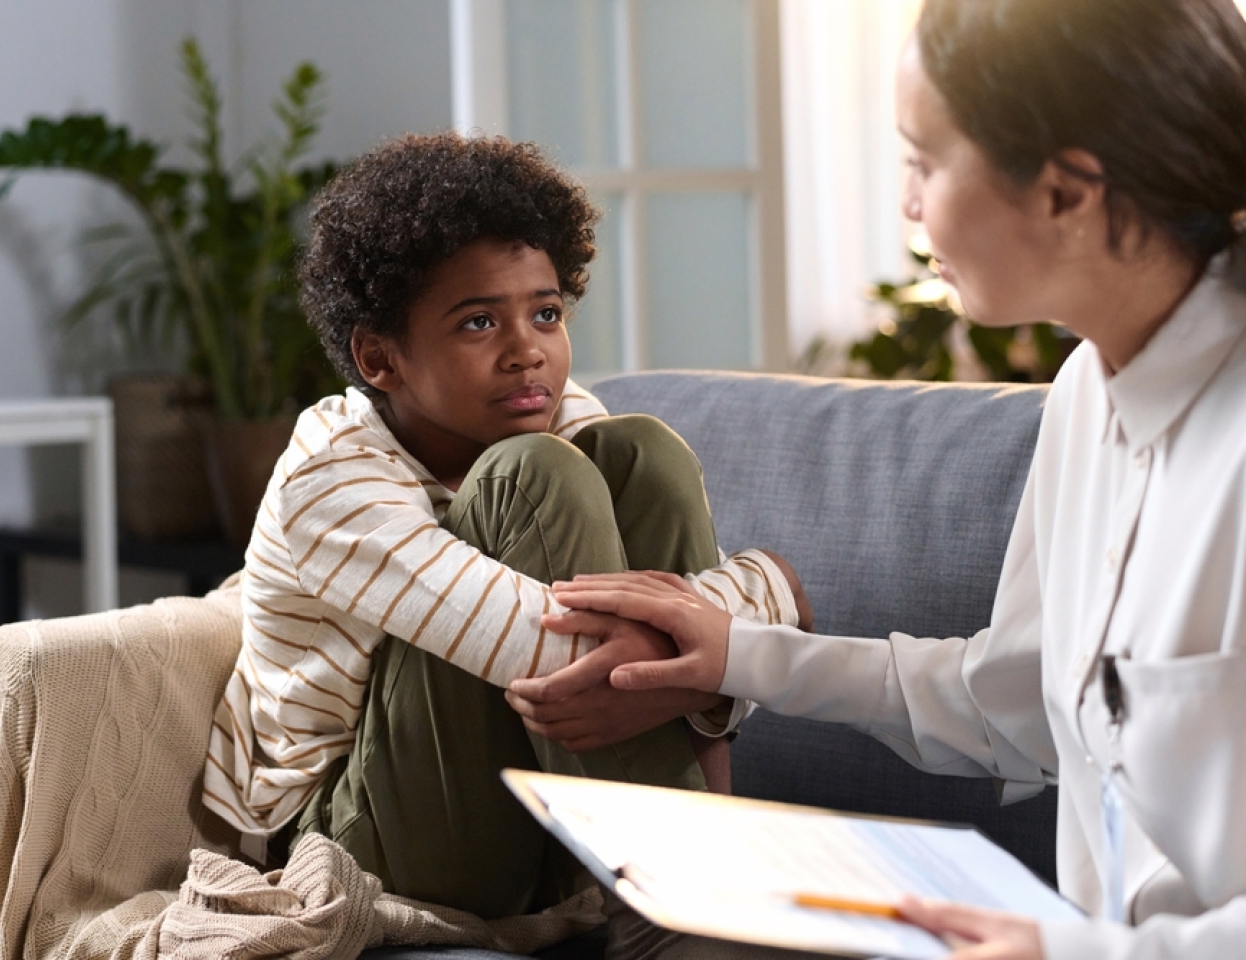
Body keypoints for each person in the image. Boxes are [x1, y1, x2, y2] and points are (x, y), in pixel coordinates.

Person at [507, 1, 1246, 957]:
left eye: (924, 161)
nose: (907, 203)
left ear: (1067, 193)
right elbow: (1013, 704)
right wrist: (738, 651)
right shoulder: (1089, 397)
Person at [199, 132, 804, 948]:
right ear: (380, 357)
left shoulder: (563, 416)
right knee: (531, 476)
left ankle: (685, 883)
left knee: (643, 453)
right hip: (357, 836)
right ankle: (683, 909)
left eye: (546, 313)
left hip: (539, 818)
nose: (529, 352)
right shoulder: (332, 480)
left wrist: (728, 645)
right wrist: (768, 597)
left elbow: (670, 661)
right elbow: (572, 666)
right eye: (479, 321)